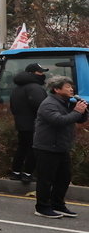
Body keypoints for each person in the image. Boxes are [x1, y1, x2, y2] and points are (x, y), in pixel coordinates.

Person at [32, 76, 87, 219]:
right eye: (67, 87)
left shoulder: (66, 102)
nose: (71, 89)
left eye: (71, 87)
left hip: (62, 146)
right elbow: (58, 121)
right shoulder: (49, 104)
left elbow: (77, 119)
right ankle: (42, 207)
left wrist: (82, 110)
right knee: (46, 179)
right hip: (46, 147)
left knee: (64, 178)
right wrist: (76, 112)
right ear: (56, 89)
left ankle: (58, 204)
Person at [8, 62, 50, 183]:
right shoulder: (35, 88)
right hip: (35, 124)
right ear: (32, 73)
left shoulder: (16, 88)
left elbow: (13, 107)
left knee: (22, 148)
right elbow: (42, 107)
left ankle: (16, 172)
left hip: (21, 124)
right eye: (40, 72)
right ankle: (27, 173)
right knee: (34, 149)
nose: (42, 74)